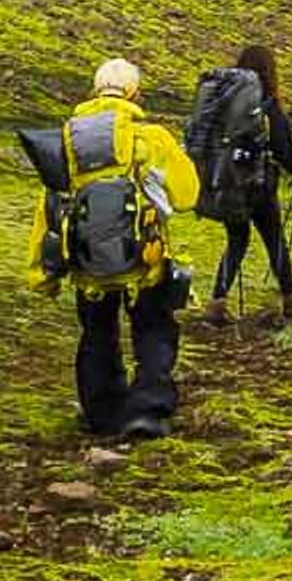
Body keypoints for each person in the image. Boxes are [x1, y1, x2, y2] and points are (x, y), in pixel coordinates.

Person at [29, 57, 198, 440]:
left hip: (85, 263)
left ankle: (101, 413)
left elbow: (50, 207)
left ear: (93, 90)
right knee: (153, 327)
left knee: (96, 332)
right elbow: (187, 194)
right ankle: (148, 409)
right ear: (135, 93)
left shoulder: (67, 139)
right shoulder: (149, 137)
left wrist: (42, 273)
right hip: (145, 260)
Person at [201, 42, 292, 323]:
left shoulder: (223, 103)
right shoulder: (267, 105)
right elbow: (284, 152)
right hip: (258, 186)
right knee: (274, 236)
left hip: (225, 181)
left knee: (237, 239)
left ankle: (217, 300)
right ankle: (291, 296)